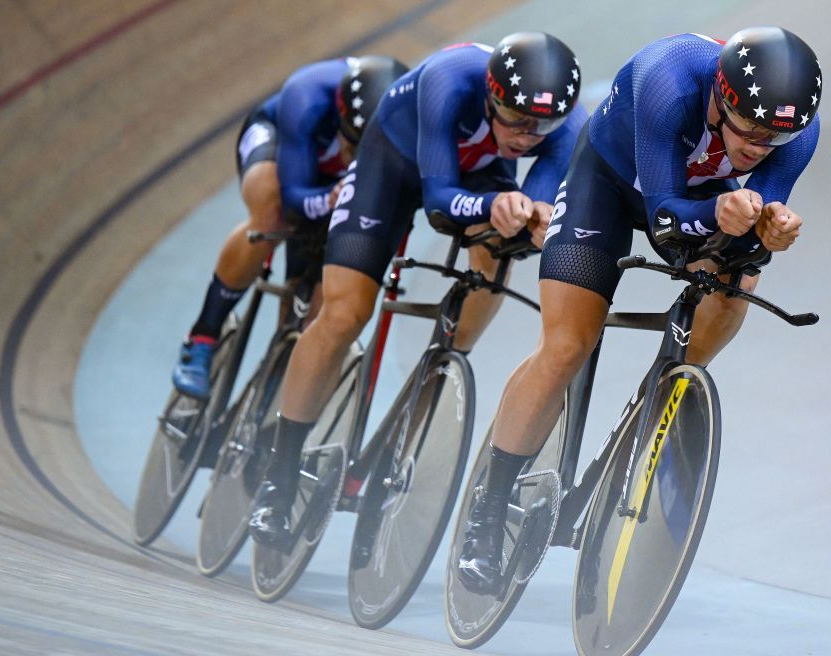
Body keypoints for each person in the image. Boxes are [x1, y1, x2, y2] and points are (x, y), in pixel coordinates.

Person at [456, 26, 823, 594]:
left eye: (776, 136)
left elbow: (757, 223)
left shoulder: (795, 131)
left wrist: (772, 230)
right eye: (748, 128)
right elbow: (665, 223)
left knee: (738, 281)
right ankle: (490, 504)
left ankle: (665, 395)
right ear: (721, 97)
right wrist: (723, 213)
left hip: (701, 200)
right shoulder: (668, 79)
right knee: (566, 347)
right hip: (608, 183)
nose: (758, 146)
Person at [248, 32, 587, 546]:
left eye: (543, 125)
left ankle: (446, 358)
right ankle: (280, 473)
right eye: (516, 119)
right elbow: (439, 198)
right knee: (343, 314)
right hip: (391, 169)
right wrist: (495, 206)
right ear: (491, 95)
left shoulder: (567, 127)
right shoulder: (449, 80)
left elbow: (533, 209)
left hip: (471, 177)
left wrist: (534, 219)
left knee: (501, 248)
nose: (526, 136)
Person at [172, 55, 409, 399]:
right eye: (352, 148)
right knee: (272, 215)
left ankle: (276, 380)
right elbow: (294, 195)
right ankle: (203, 335)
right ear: (340, 120)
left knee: (318, 305)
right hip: (279, 142)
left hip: (332, 184)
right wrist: (329, 198)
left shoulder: (404, 118)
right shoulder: (308, 95)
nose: (356, 160)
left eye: (367, 153)